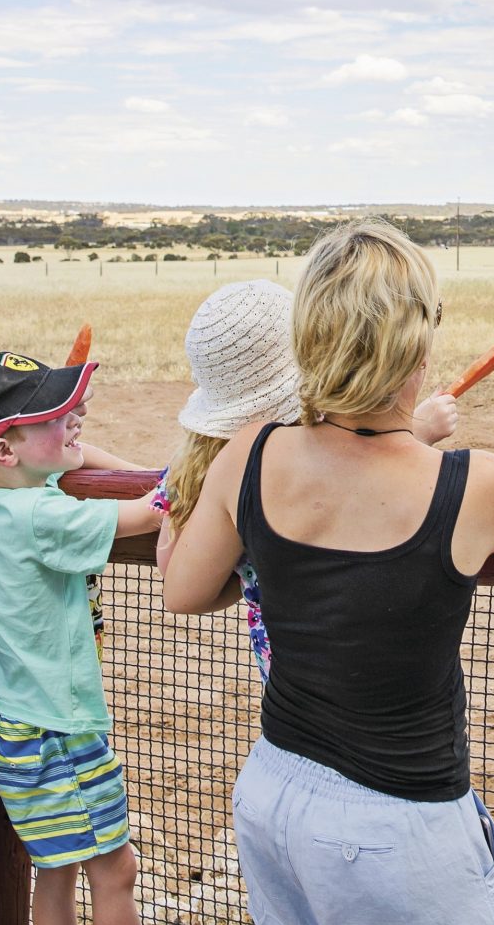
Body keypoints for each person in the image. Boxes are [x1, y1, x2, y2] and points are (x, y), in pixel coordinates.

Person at [162, 220, 494, 925]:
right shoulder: (476, 486)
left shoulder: (252, 454)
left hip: (278, 792)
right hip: (398, 825)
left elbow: (186, 588)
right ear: (419, 347)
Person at [0, 351, 248, 925]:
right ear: (4, 448)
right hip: (61, 732)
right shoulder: (40, 515)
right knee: (116, 870)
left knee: (57, 869)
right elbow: (151, 512)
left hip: (21, 727)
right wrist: (207, 460)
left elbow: (75, 469)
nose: (73, 417)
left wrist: (71, 446)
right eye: (53, 416)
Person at [152, 277, 457, 679]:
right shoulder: (300, 457)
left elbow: (176, 579)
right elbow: (350, 488)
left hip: (285, 702)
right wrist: (413, 431)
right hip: (371, 692)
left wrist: (244, 571)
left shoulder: (195, 467)